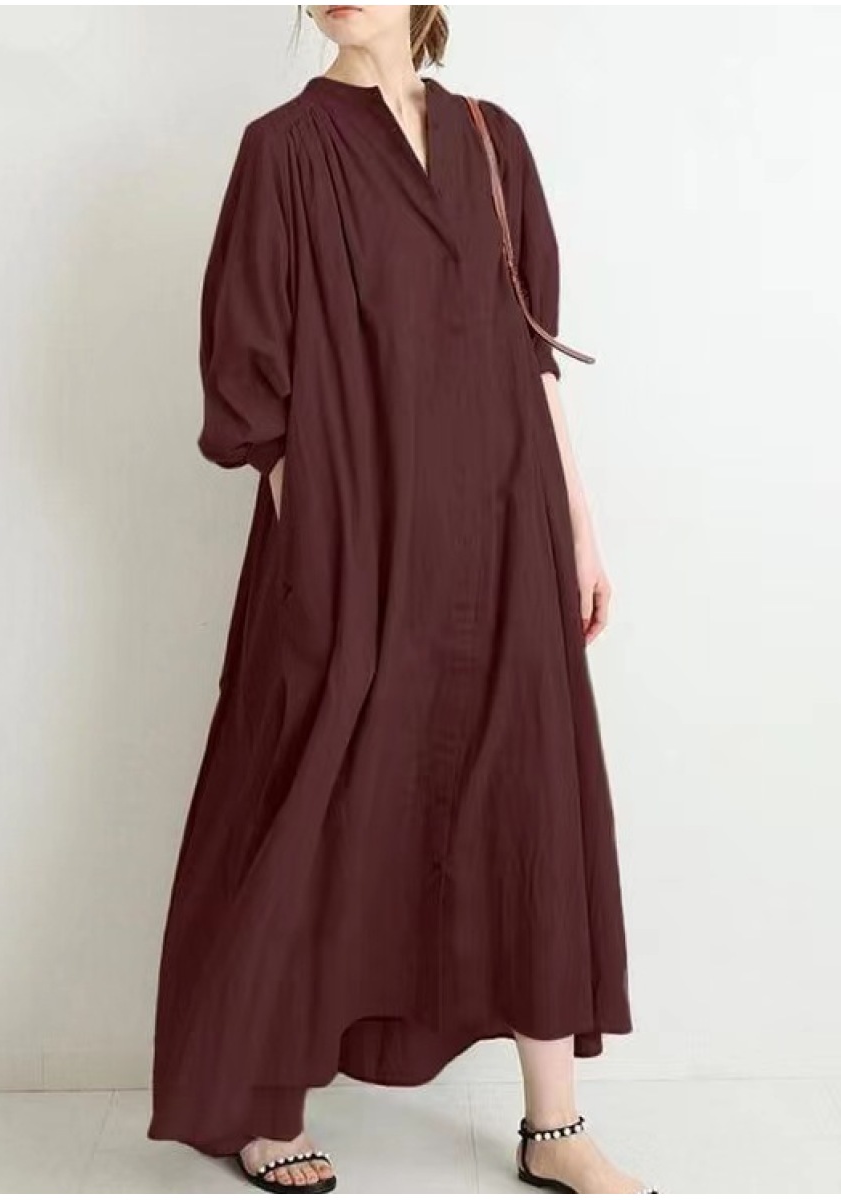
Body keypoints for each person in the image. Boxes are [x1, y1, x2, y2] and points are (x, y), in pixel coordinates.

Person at [148, 6, 655, 1194]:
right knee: (314, 791)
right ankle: (263, 1104)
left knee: (527, 793)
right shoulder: (283, 149)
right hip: (353, 533)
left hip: (504, 525)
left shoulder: (492, 138)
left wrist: (579, 528)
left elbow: (533, 354)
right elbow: (248, 368)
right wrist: (315, 529)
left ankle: (554, 1127)